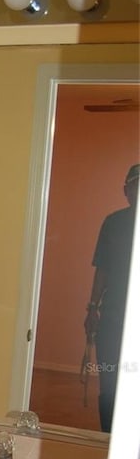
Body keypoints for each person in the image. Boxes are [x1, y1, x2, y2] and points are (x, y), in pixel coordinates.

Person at [84, 163, 139, 432]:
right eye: (136, 184)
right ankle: (107, 440)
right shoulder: (113, 223)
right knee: (110, 381)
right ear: (126, 190)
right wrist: (92, 308)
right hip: (114, 317)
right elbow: (102, 269)